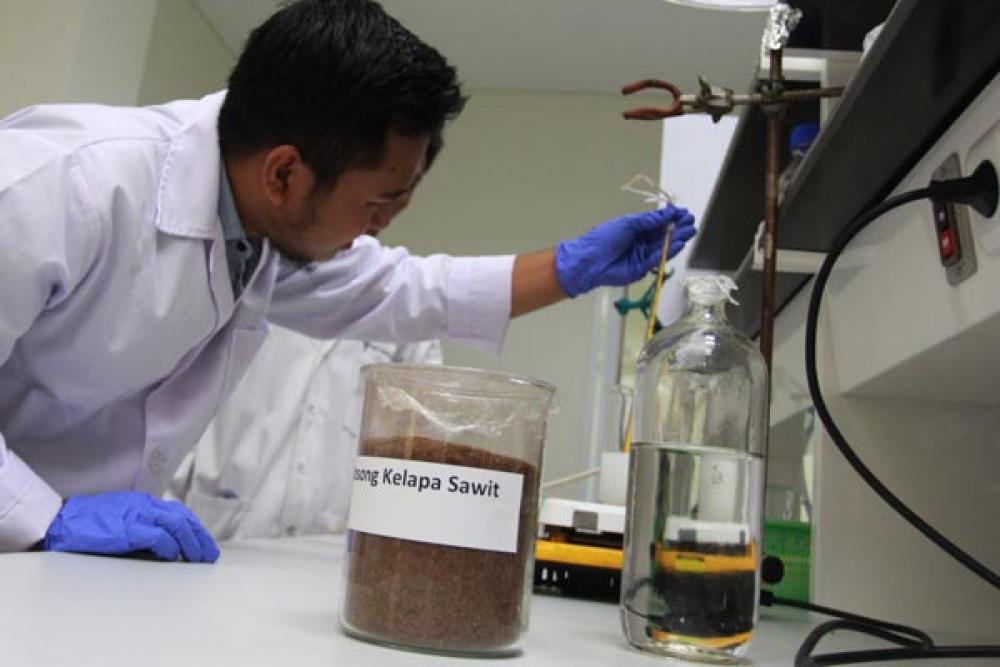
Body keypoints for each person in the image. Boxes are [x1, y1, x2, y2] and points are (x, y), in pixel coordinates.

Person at [0, 0, 696, 561]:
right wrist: (44, 516)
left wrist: (569, 268)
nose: (382, 227)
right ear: (284, 173)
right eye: (378, 204)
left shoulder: (253, 228)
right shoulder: (60, 184)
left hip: (59, 565)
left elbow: (400, 290)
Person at [170, 137, 445, 541]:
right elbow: (174, 400)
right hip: (218, 525)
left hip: (333, 540)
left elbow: (418, 448)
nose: (385, 212)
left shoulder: (400, 307)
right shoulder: (248, 268)